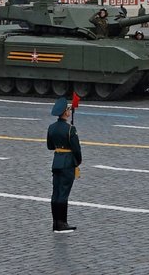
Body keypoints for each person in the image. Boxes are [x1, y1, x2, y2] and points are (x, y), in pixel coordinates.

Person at [47, 97, 81, 233]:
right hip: (67, 162)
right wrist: (77, 162)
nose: (69, 111)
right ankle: (62, 223)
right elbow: (77, 149)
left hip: (56, 162)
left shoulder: (51, 127)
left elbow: (50, 146)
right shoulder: (70, 129)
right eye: (68, 109)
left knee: (55, 193)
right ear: (65, 112)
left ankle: (55, 222)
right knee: (63, 193)